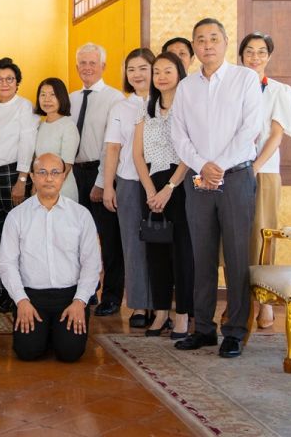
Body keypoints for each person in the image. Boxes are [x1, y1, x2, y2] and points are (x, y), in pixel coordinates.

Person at [172, 18, 262, 359]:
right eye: (200, 40)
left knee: (238, 256)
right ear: (194, 47)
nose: (207, 44)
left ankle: (236, 331)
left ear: (225, 43)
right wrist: (202, 164)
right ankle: (204, 329)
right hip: (198, 180)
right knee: (202, 255)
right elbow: (179, 134)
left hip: (236, 176)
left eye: (213, 38)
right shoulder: (186, 87)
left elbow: (249, 130)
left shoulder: (245, 79)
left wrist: (219, 165)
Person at [0, 153, 102, 362]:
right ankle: (46, 332)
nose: (49, 178)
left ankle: (55, 333)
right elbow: (7, 264)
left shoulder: (81, 215)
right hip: (32, 298)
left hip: (69, 297)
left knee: (70, 353)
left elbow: (92, 264)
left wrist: (80, 301)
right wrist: (21, 301)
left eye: (55, 173)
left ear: (64, 176)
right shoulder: (17, 216)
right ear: (32, 177)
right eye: (42, 173)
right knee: (27, 352)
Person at [132, 52, 192, 339]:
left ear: (180, 73)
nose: (161, 76)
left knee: (181, 252)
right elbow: (137, 153)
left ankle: (182, 315)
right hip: (152, 185)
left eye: (168, 70)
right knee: (155, 250)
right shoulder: (148, 108)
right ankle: (160, 313)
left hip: (180, 184)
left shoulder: (189, 106)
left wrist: (169, 188)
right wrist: (150, 190)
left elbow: (191, 151)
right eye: (157, 71)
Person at [239, 32, 291, 329]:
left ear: (269, 56)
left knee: (262, 236)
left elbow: (276, 135)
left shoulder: (279, 91)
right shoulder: (232, 89)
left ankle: (264, 304)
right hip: (232, 172)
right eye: (249, 52)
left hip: (263, 172)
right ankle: (240, 303)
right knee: (234, 238)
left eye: (261, 52)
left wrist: (254, 167)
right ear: (241, 55)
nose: (255, 57)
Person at [69, 43, 125, 316]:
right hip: (73, 173)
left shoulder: (116, 99)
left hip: (103, 172)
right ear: (77, 66)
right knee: (78, 236)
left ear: (103, 66)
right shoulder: (71, 98)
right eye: (82, 63)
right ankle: (86, 291)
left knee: (109, 237)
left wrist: (103, 182)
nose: (87, 68)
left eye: (93, 63)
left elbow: (111, 145)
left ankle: (112, 295)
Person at [0, 57, 38, 312]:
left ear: (17, 82)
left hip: (14, 174)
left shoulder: (25, 107)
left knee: (16, 235)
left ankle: (18, 293)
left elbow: (27, 142)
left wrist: (22, 179)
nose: (4, 83)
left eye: (9, 79)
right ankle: (0, 291)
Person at [103, 48, 155, 328]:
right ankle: (137, 305)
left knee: (161, 244)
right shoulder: (121, 107)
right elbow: (113, 148)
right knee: (132, 245)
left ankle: (161, 306)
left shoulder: (166, 103)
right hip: (128, 181)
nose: (136, 74)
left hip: (160, 184)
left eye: (142, 68)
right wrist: (109, 186)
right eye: (131, 69)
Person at [34, 78, 80, 202]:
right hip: (41, 189)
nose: (47, 99)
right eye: (43, 94)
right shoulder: (40, 125)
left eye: (52, 95)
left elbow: (67, 165)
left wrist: (48, 189)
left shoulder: (68, 126)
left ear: (61, 97)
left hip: (62, 191)